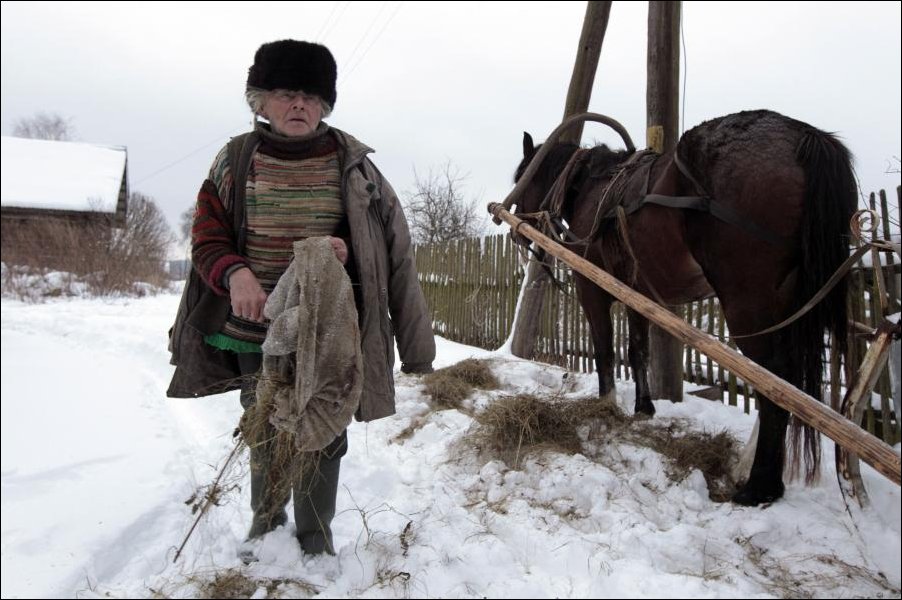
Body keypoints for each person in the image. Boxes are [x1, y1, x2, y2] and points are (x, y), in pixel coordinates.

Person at [167, 39, 435, 559]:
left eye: (312, 97)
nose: (300, 106)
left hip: (331, 327)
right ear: (260, 101)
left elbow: (392, 254)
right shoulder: (236, 159)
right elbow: (206, 235)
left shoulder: (354, 165)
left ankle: (316, 535)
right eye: (287, 94)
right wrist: (236, 274)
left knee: (324, 422)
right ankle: (266, 524)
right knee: (264, 420)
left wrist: (348, 255)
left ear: (325, 106)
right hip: (251, 326)